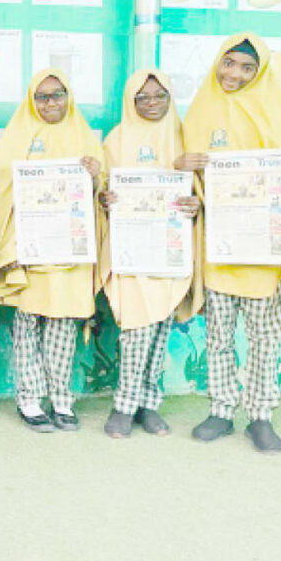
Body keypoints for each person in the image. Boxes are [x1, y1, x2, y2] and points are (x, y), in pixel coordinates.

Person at [179, 33, 281, 454]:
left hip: (263, 257)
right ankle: (221, 410)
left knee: (264, 340)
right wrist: (181, 171)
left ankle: (261, 416)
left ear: (261, 73)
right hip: (220, 253)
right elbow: (188, 182)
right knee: (218, 338)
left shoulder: (279, 113)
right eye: (229, 63)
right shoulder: (201, 108)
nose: (233, 74)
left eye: (246, 67)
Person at [0, 69, 105, 432]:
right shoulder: (16, 136)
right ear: (31, 100)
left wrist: (96, 174)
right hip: (29, 253)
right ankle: (29, 400)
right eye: (42, 96)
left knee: (62, 332)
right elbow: (3, 183)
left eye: (58, 95)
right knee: (27, 330)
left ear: (69, 97)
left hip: (69, 257)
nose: (50, 103)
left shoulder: (84, 137)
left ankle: (62, 400)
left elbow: (103, 195)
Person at [97, 69, 200, 438]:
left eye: (160, 96)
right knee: (135, 331)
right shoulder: (115, 140)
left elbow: (203, 190)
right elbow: (101, 186)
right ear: (131, 101)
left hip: (169, 253)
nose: (152, 103)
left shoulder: (186, 138)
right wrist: (104, 198)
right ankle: (123, 406)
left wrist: (195, 201)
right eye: (143, 97)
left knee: (159, 331)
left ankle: (149, 405)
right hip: (130, 253)